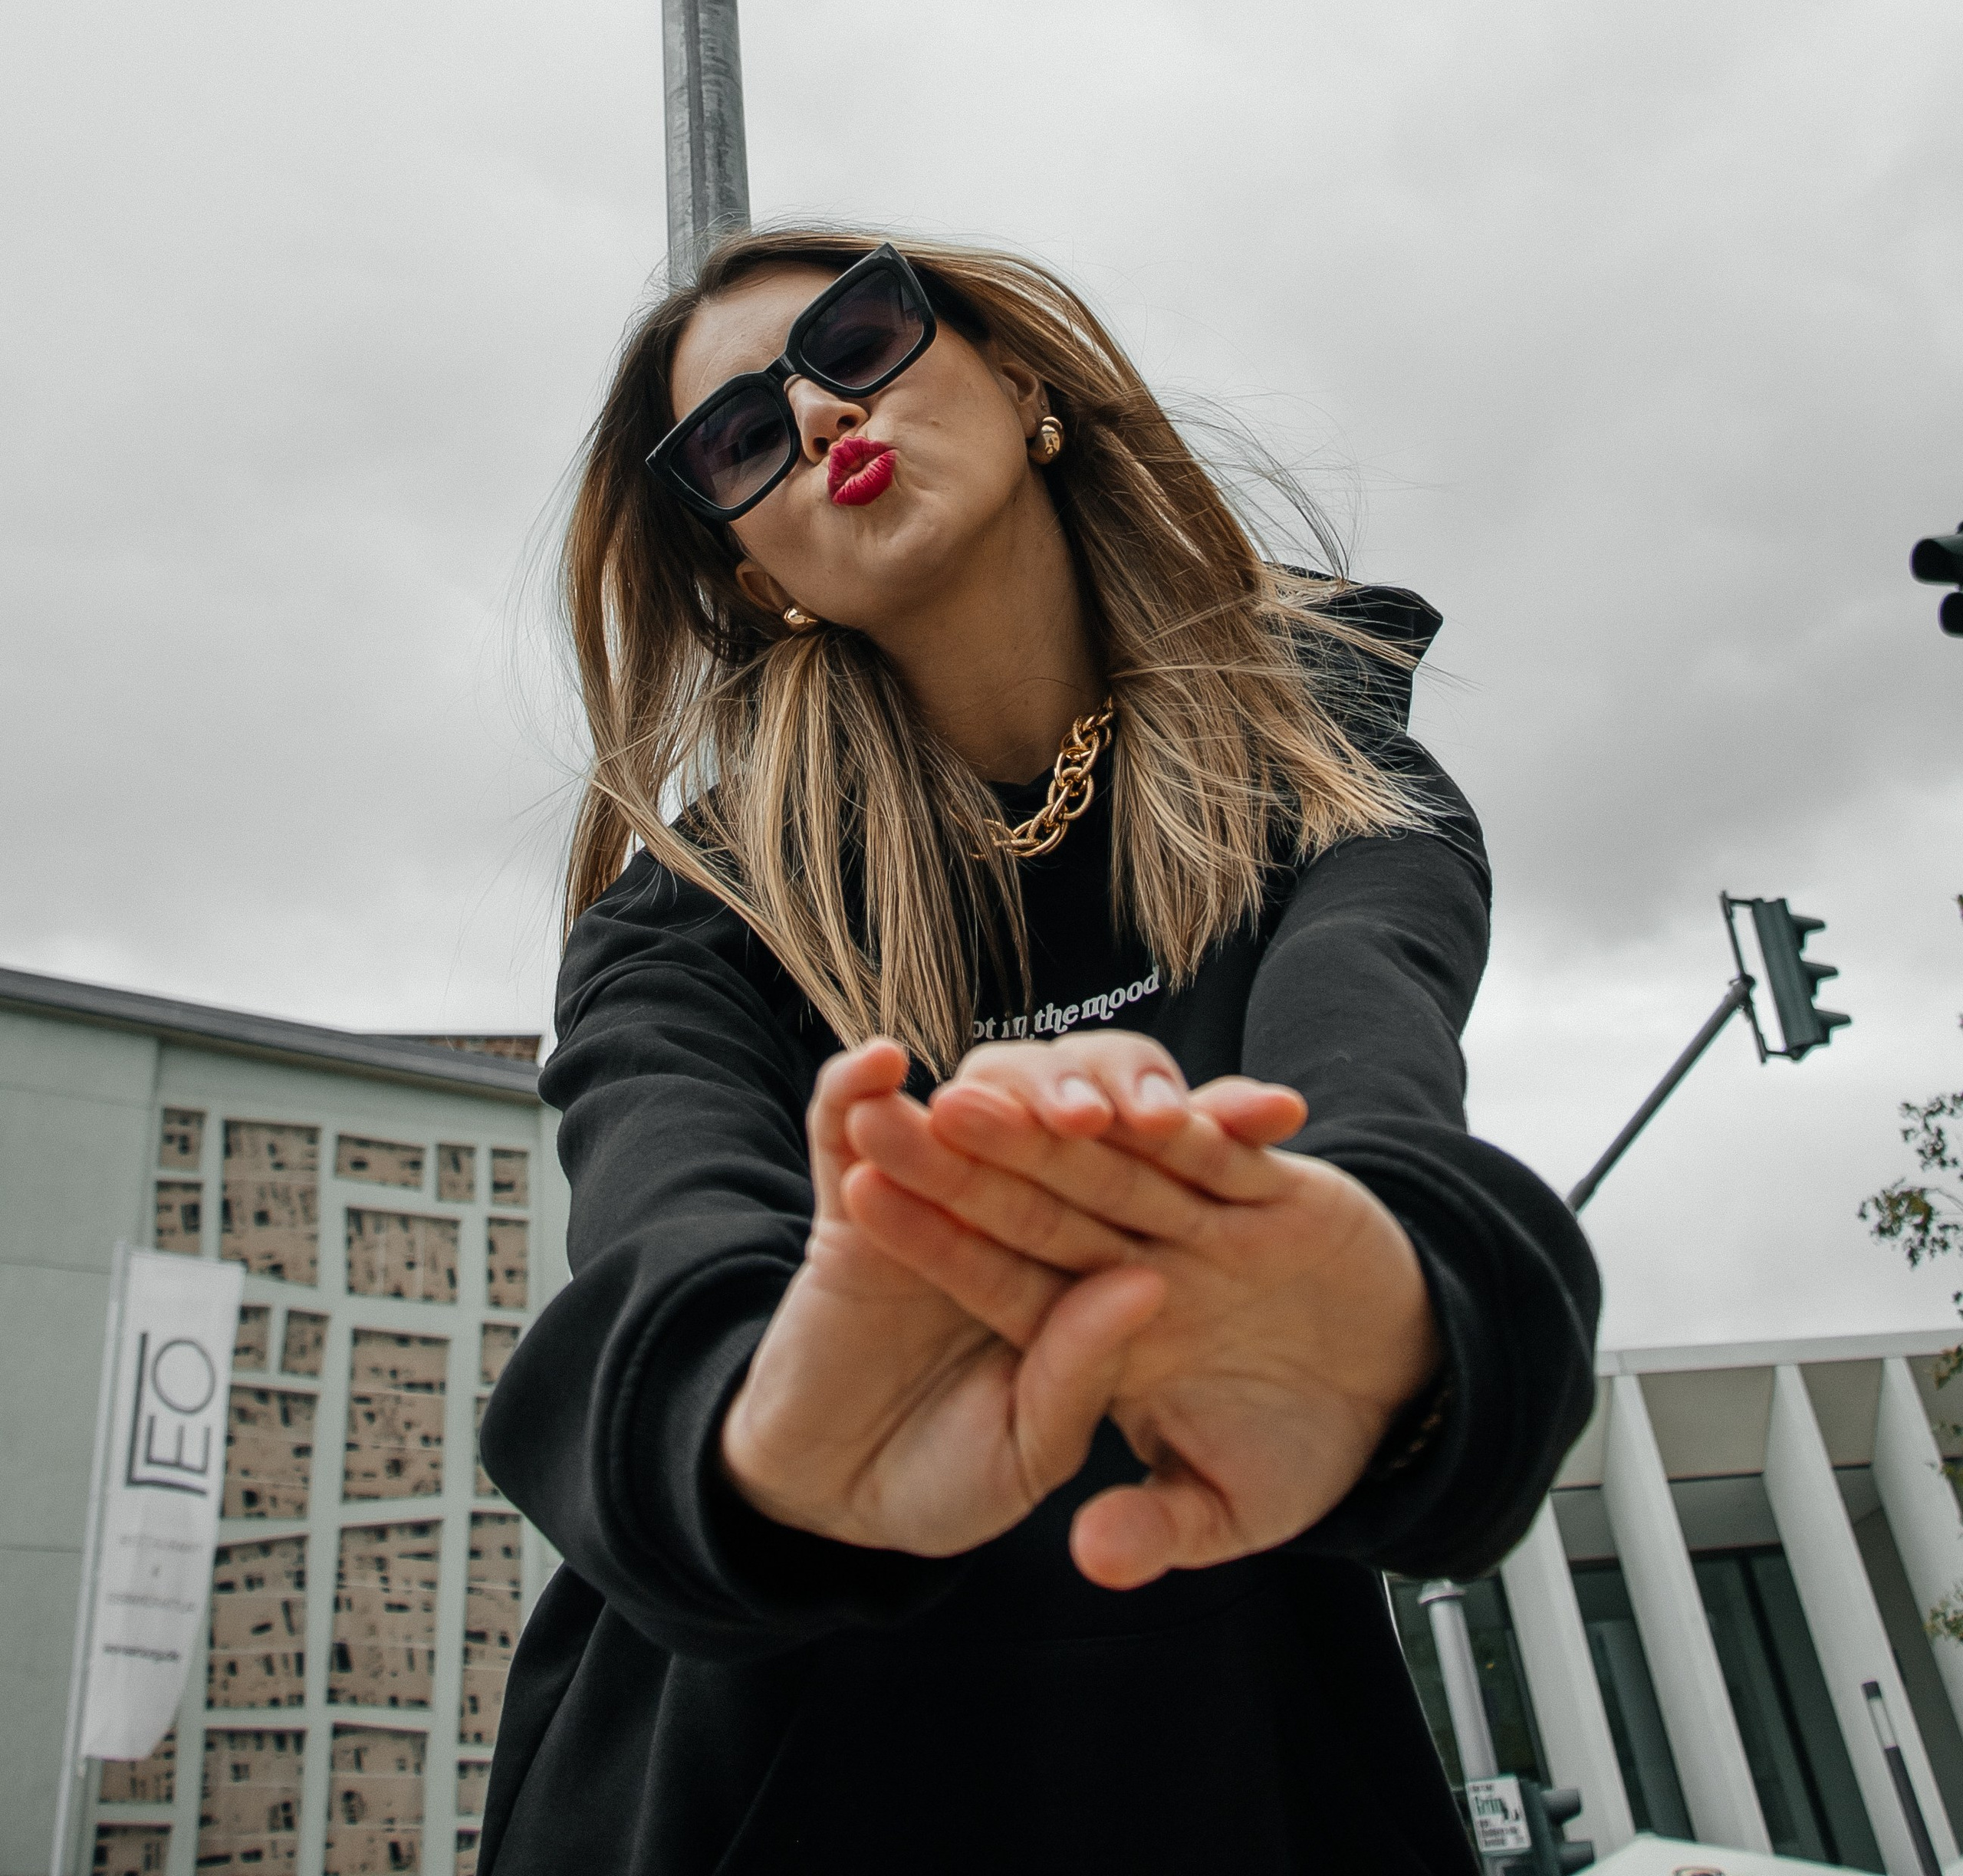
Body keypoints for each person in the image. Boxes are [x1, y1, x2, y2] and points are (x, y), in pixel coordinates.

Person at [478, 229, 1599, 1875]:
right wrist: (755, 1433)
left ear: (1019, 382)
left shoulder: (1335, 780)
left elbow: (1373, 1082)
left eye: (854, 338)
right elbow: (658, 1234)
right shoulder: (691, 916)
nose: (812, 411)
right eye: (736, 439)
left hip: (1231, 1760)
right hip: (734, 1788)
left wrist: (1395, 1313)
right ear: (752, 572)